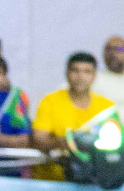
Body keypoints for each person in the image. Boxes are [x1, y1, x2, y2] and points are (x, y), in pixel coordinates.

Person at [29, 52, 117, 180]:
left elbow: (116, 142)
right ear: (67, 74)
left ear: (94, 76)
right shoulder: (50, 101)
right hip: (53, 181)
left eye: (87, 72)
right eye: (75, 70)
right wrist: (64, 142)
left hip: (93, 181)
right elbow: (38, 139)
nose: (80, 77)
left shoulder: (106, 107)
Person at [0, 57, 31, 149]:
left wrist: (2, 139)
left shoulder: (15, 98)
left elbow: (23, 141)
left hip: (9, 161)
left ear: (4, 76)